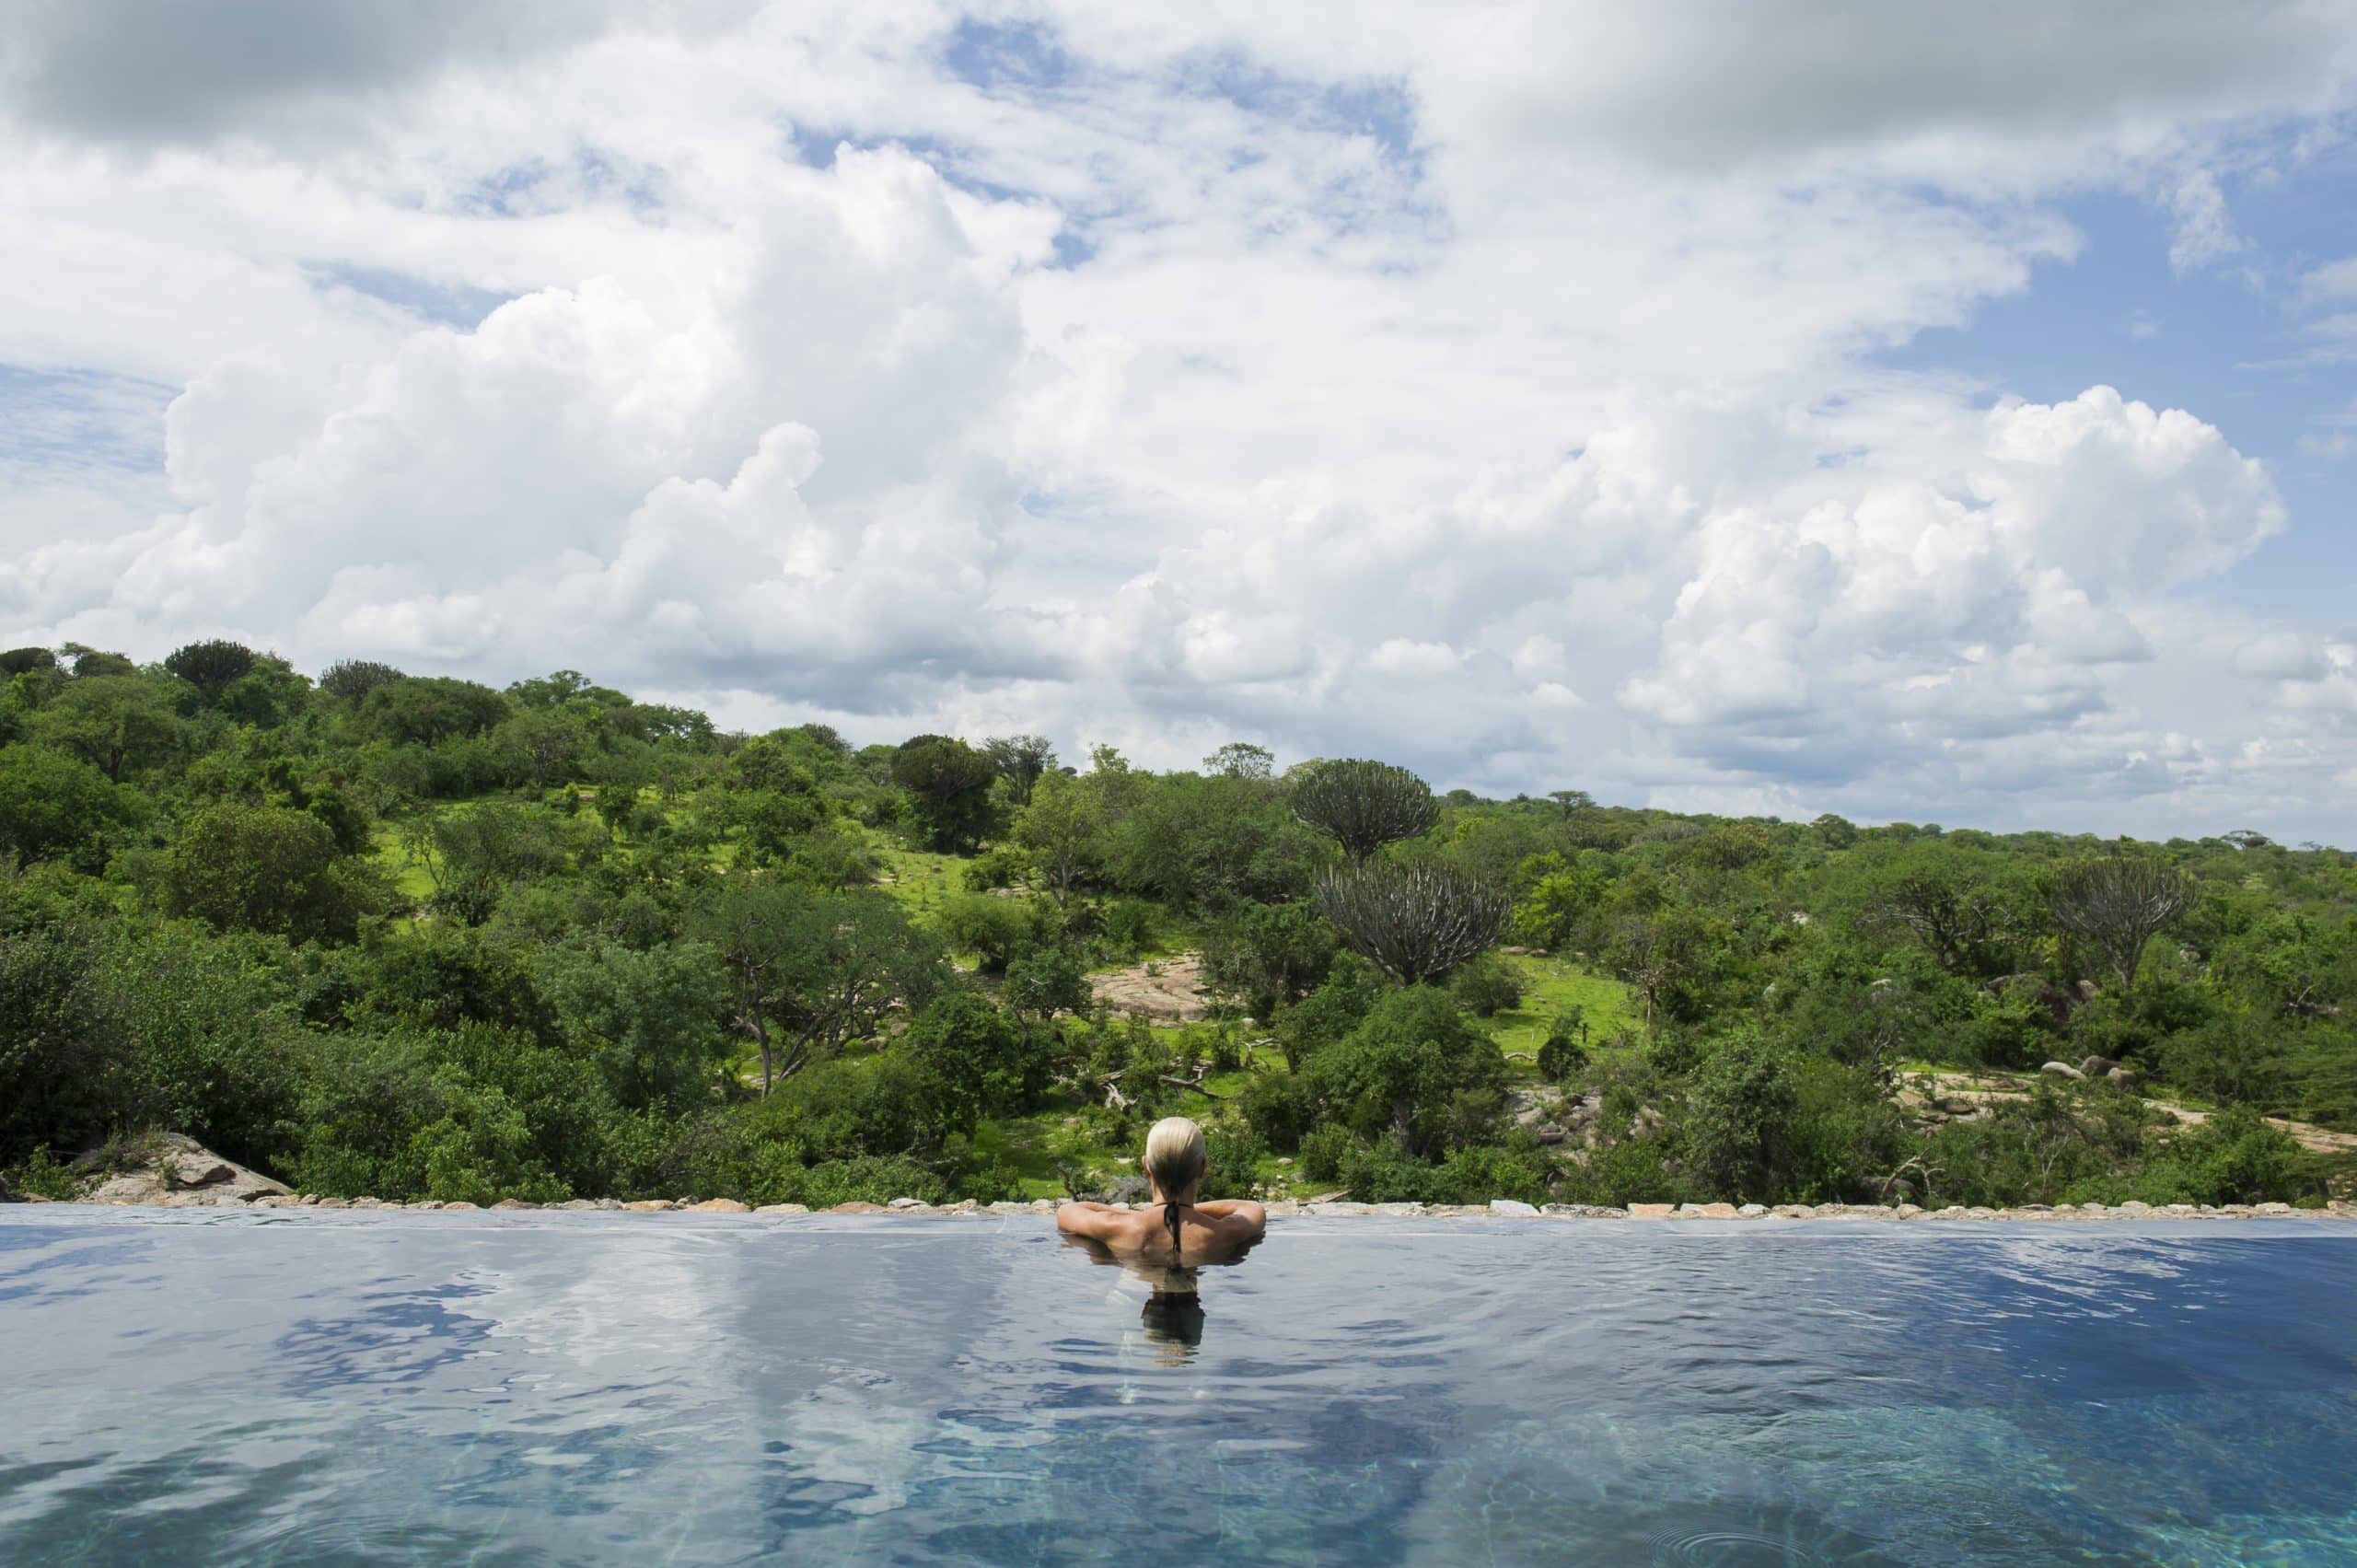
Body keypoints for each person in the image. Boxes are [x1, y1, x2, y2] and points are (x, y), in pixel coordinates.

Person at [1055, 1116, 1266, 1260]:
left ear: (1146, 1166)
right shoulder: (1225, 1233)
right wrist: (1186, 1212)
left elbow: (1067, 1212)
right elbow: (1252, 1208)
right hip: (1193, 1313)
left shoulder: (1117, 1227)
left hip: (1128, 1303)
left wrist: (1144, 1215)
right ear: (1202, 1168)